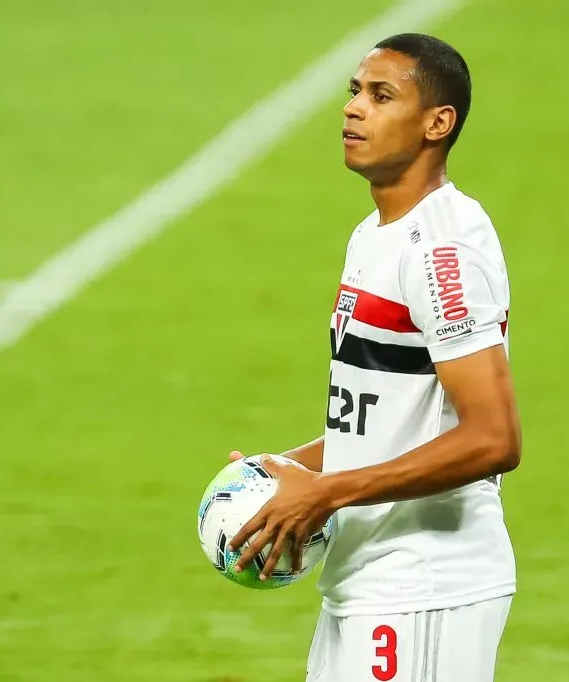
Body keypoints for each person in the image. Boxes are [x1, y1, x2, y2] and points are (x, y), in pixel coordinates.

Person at [226, 33, 522, 682]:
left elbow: (494, 438)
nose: (353, 109)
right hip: (366, 580)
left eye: (381, 95)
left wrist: (326, 494)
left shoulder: (444, 251)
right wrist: (281, 472)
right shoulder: (375, 236)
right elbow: (384, 421)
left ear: (436, 123)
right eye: (355, 92)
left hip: (426, 586)